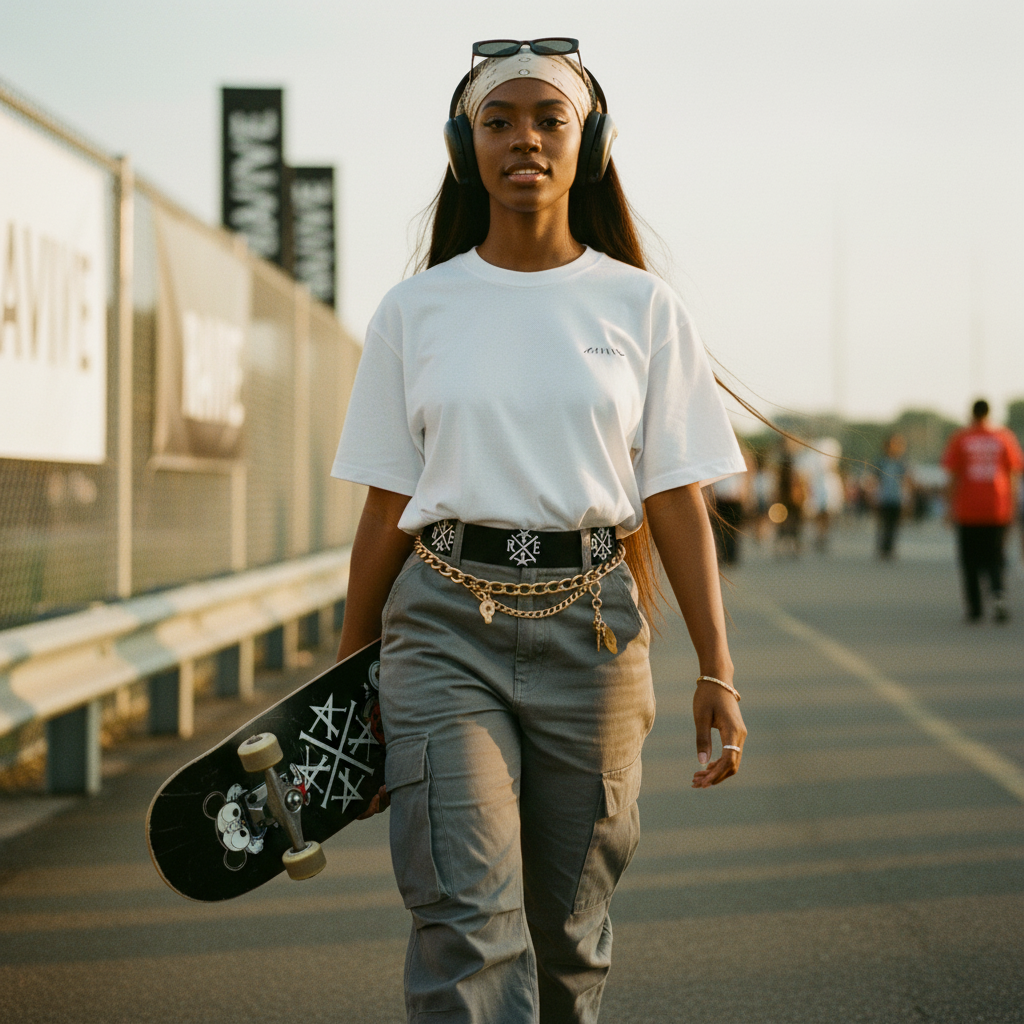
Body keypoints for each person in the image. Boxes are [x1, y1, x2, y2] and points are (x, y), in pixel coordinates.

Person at [330, 38, 748, 1024]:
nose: (523, 138)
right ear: (462, 145)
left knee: (566, 937)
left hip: (594, 634)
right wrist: (348, 685)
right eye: (497, 120)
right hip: (440, 628)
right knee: (465, 919)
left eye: (547, 118)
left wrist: (717, 668)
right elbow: (387, 502)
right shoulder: (414, 311)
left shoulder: (641, 308)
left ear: (588, 141)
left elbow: (677, 499)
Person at [941, 399, 1024, 623]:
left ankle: (975, 607)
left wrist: (949, 508)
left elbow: (953, 476)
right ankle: (998, 595)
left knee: (970, 560)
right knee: (995, 557)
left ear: (971, 413)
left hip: (968, 509)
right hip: (997, 509)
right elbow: (1014, 474)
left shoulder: (961, 438)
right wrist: (1012, 506)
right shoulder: (1004, 437)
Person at [873, 433, 909, 559]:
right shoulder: (881, 462)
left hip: (896, 497)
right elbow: (875, 481)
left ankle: (890, 548)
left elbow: (905, 482)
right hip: (883, 497)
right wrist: (874, 497)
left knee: (894, 525)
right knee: (883, 523)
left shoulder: (901, 463)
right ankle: (882, 548)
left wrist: (906, 500)